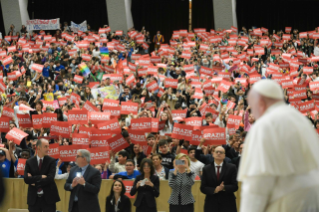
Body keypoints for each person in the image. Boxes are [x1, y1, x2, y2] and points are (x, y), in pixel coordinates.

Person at [239, 79, 319, 212]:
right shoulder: (300, 119)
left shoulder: (265, 124)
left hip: (287, 200)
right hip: (313, 197)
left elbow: (257, 181)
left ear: (260, 103)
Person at [24, 139, 60, 212]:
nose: (48, 149)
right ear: (39, 148)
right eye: (46, 147)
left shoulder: (52, 161)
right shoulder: (29, 162)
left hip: (49, 198)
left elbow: (50, 178)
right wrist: (40, 177)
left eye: (48, 146)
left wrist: (34, 181)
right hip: (34, 199)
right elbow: (26, 179)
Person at [200, 146, 238, 212]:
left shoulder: (232, 167)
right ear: (213, 154)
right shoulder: (206, 168)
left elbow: (235, 186)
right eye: (216, 152)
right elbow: (203, 188)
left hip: (228, 203)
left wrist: (224, 187)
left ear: (224, 156)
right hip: (211, 203)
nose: (218, 153)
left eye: (221, 152)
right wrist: (214, 190)